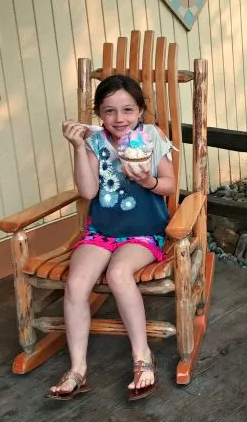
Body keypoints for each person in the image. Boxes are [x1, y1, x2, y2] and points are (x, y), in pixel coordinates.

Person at [48, 75, 176, 401]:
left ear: (141, 110)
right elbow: (88, 191)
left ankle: (142, 357)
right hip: (101, 232)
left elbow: (169, 185)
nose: (119, 119)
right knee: (76, 284)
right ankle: (78, 369)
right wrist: (78, 147)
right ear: (99, 115)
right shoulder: (94, 142)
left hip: (143, 232)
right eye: (109, 111)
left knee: (119, 274)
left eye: (128, 110)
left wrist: (147, 179)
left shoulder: (151, 137)